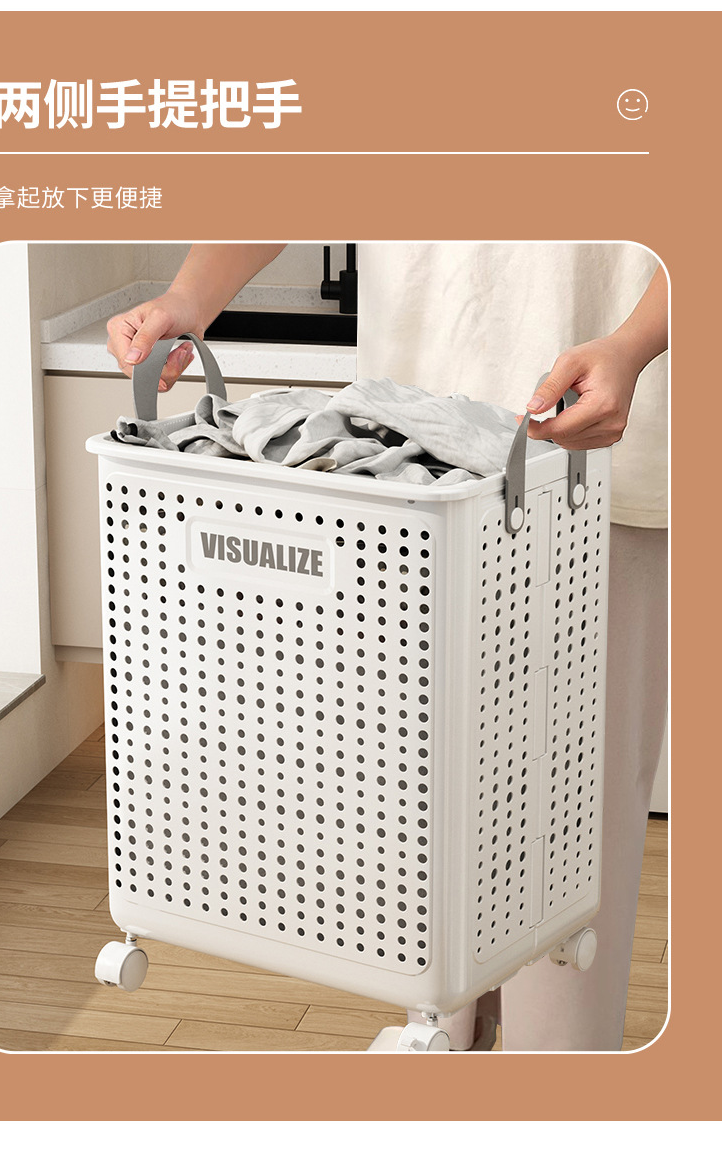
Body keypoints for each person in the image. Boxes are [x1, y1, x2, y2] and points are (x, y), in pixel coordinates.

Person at [107, 242, 668, 1051]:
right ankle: (438, 1029)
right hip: (397, 461)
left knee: (568, 818)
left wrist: (637, 341)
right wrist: (191, 295)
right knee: (411, 800)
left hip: (588, 451)